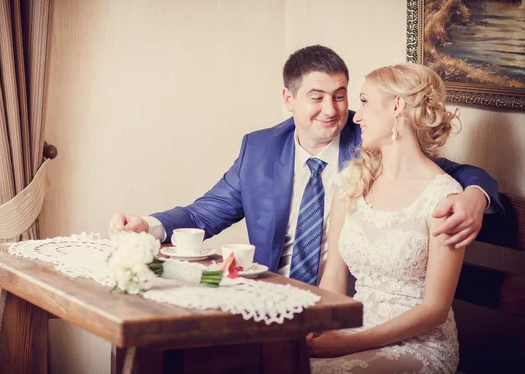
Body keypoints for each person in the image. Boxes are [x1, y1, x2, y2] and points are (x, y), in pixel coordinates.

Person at [109, 45, 500, 285]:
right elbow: (203, 213)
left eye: (341, 96)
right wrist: (150, 225)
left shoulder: (371, 144)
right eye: (316, 97)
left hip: (343, 302)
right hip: (268, 293)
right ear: (288, 99)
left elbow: (450, 173)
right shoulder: (260, 150)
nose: (331, 111)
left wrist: (475, 196)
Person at [308, 63, 465, 373]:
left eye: (365, 101)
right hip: (353, 329)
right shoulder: (352, 181)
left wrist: (348, 344)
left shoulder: (444, 197)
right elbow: (335, 276)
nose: (357, 116)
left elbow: (435, 310)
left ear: (397, 105)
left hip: (419, 345)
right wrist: (318, 328)